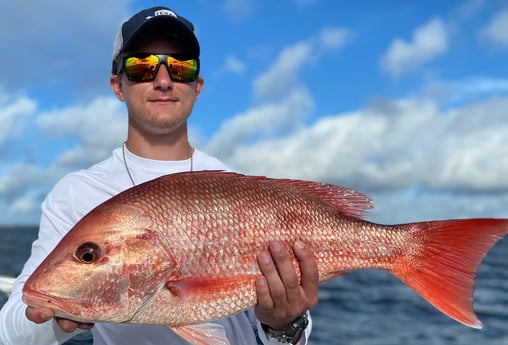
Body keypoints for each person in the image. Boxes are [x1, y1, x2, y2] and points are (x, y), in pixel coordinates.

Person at [0, 6, 319, 345]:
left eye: (180, 67)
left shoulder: (232, 185)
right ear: (117, 86)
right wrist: (60, 311)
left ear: (197, 86)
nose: (163, 80)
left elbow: (293, 336)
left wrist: (285, 324)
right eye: (142, 66)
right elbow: (9, 332)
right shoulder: (79, 193)